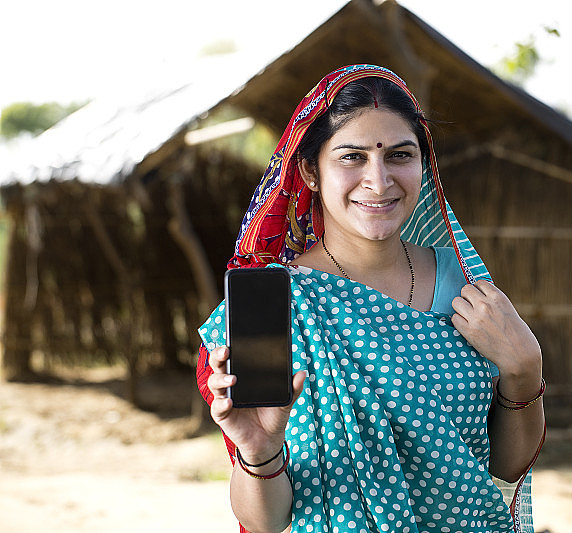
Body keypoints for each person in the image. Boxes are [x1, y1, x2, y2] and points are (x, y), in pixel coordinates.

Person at [196, 65, 545, 533]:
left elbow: (504, 471)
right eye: (351, 157)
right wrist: (259, 451)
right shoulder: (277, 308)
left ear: (423, 164)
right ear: (309, 172)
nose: (378, 181)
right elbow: (266, 522)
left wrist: (524, 372)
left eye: (400, 155)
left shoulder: (465, 287)